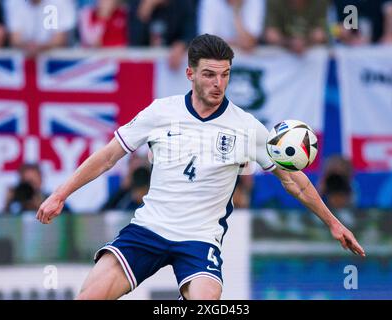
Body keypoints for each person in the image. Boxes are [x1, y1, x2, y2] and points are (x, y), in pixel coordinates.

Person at [36, 34, 365, 300]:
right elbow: (108, 157)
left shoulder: (248, 127)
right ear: (190, 73)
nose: (218, 83)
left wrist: (333, 224)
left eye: (225, 74)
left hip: (200, 240)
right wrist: (60, 194)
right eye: (209, 74)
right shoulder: (160, 112)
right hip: (148, 230)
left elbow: (294, 182)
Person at [4, 0, 76, 57]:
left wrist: (38, 47)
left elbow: (60, 39)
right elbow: (15, 39)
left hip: (56, 65)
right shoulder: (13, 2)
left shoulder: (61, 2)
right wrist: (31, 47)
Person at [264, 0, 329, 54]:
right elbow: (270, 34)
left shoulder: (320, 2)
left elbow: (321, 32)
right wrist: (289, 43)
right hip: (281, 56)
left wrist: (306, 41)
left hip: (312, 56)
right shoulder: (274, 2)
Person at [198, 0, 265, 52]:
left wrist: (236, 11)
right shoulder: (209, 2)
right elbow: (206, 41)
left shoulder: (256, 1)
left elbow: (249, 43)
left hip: (246, 59)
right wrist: (238, 42)